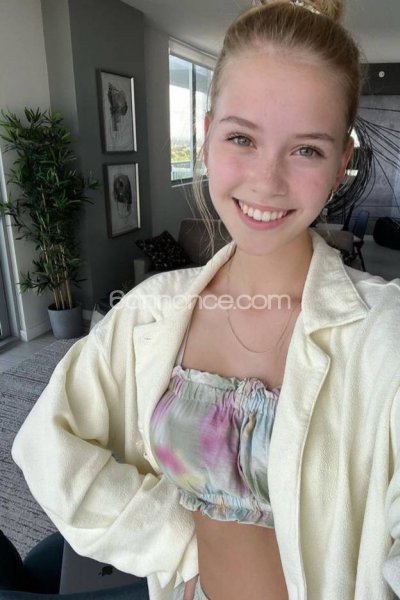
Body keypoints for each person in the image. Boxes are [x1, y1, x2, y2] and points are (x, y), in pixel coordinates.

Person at [11, 1, 400, 599]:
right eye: (242, 138)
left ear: (341, 164)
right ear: (207, 134)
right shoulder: (149, 313)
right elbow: (47, 443)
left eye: (306, 150)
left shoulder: (384, 337)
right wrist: (169, 542)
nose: (267, 181)